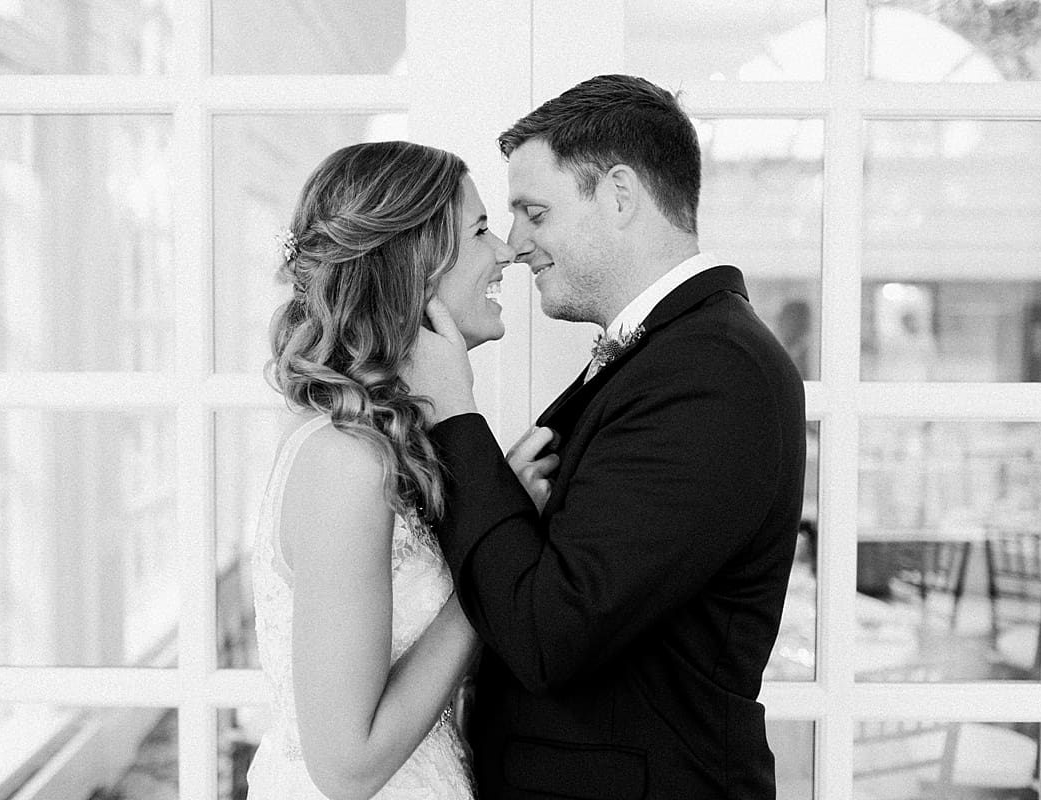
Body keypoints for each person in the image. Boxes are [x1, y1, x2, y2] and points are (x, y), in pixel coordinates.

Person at [406, 75, 807, 799]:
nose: (515, 245)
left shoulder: (713, 370)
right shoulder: (672, 355)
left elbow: (547, 634)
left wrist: (452, 414)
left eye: (534, 212)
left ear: (620, 195)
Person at [247, 140, 513, 800]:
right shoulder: (346, 462)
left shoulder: (388, 444)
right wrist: (489, 589)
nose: (506, 252)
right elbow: (349, 766)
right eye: (481, 230)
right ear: (416, 267)